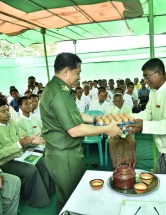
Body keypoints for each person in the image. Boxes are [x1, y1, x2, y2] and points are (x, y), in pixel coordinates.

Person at [40, 52, 121, 214]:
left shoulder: (56, 88)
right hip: (64, 155)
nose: (79, 77)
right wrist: (107, 129)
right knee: (73, 200)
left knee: (66, 198)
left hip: (62, 153)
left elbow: (75, 115)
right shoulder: (59, 94)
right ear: (66, 72)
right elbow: (75, 129)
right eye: (77, 72)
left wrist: (98, 118)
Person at [0, 99, 55, 208]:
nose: (7, 113)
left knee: (42, 161)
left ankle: (49, 191)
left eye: (7, 110)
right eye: (3, 111)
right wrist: (19, 145)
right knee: (30, 170)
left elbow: (23, 136)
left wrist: (31, 140)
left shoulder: (12, 123)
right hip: (6, 162)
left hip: (20, 155)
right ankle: (36, 200)